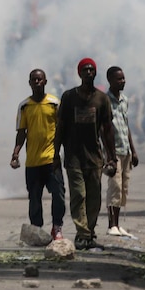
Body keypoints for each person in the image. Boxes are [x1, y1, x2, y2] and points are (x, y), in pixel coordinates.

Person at [54, 57, 117, 250]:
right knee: (78, 195)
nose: (89, 73)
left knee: (94, 198)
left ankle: (89, 231)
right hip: (73, 156)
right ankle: (82, 234)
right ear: (79, 73)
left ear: (95, 73)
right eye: (85, 70)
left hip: (95, 158)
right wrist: (55, 153)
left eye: (91, 70)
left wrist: (112, 157)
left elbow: (107, 130)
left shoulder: (102, 99)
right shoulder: (69, 97)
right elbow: (61, 127)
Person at [10, 68, 66, 241]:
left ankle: (57, 227)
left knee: (58, 194)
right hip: (33, 162)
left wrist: (61, 152)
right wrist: (15, 154)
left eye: (40, 79)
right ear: (29, 83)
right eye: (34, 80)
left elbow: (61, 130)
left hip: (51, 159)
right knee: (34, 198)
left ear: (45, 82)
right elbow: (21, 132)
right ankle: (37, 228)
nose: (37, 82)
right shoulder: (24, 106)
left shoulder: (54, 104)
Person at [105, 66, 138, 238]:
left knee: (124, 187)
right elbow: (103, 128)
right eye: (119, 79)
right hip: (113, 151)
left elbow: (126, 126)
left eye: (123, 78)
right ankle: (112, 224)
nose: (122, 81)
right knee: (115, 187)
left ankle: (117, 224)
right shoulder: (105, 101)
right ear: (110, 80)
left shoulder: (124, 100)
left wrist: (133, 150)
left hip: (125, 150)